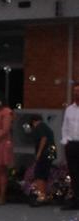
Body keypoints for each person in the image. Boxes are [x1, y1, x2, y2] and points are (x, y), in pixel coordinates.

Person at [28, 114, 56, 205]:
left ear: (33, 121)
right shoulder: (46, 127)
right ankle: (44, 196)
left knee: (39, 174)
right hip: (50, 153)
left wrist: (39, 153)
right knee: (44, 174)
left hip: (44, 154)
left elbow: (43, 138)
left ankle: (41, 196)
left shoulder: (39, 127)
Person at [60, 82, 79, 210]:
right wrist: (66, 141)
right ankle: (76, 200)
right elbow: (65, 127)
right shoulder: (69, 109)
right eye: (75, 91)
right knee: (73, 173)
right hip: (71, 144)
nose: (77, 93)